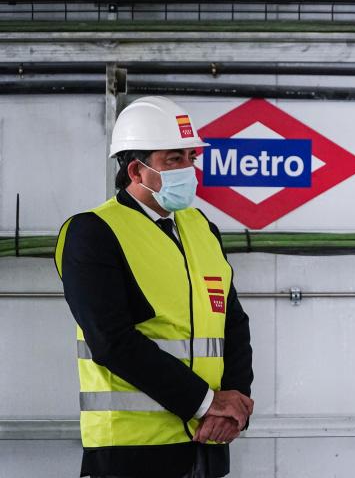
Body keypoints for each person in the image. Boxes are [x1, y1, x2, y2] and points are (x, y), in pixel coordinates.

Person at [54, 96, 255, 478]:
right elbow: (112, 341)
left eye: (190, 158)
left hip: (208, 444)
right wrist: (206, 403)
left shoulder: (201, 228)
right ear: (136, 170)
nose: (188, 171)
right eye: (173, 160)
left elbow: (233, 323)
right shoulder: (93, 233)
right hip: (131, 452)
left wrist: (235, 406)